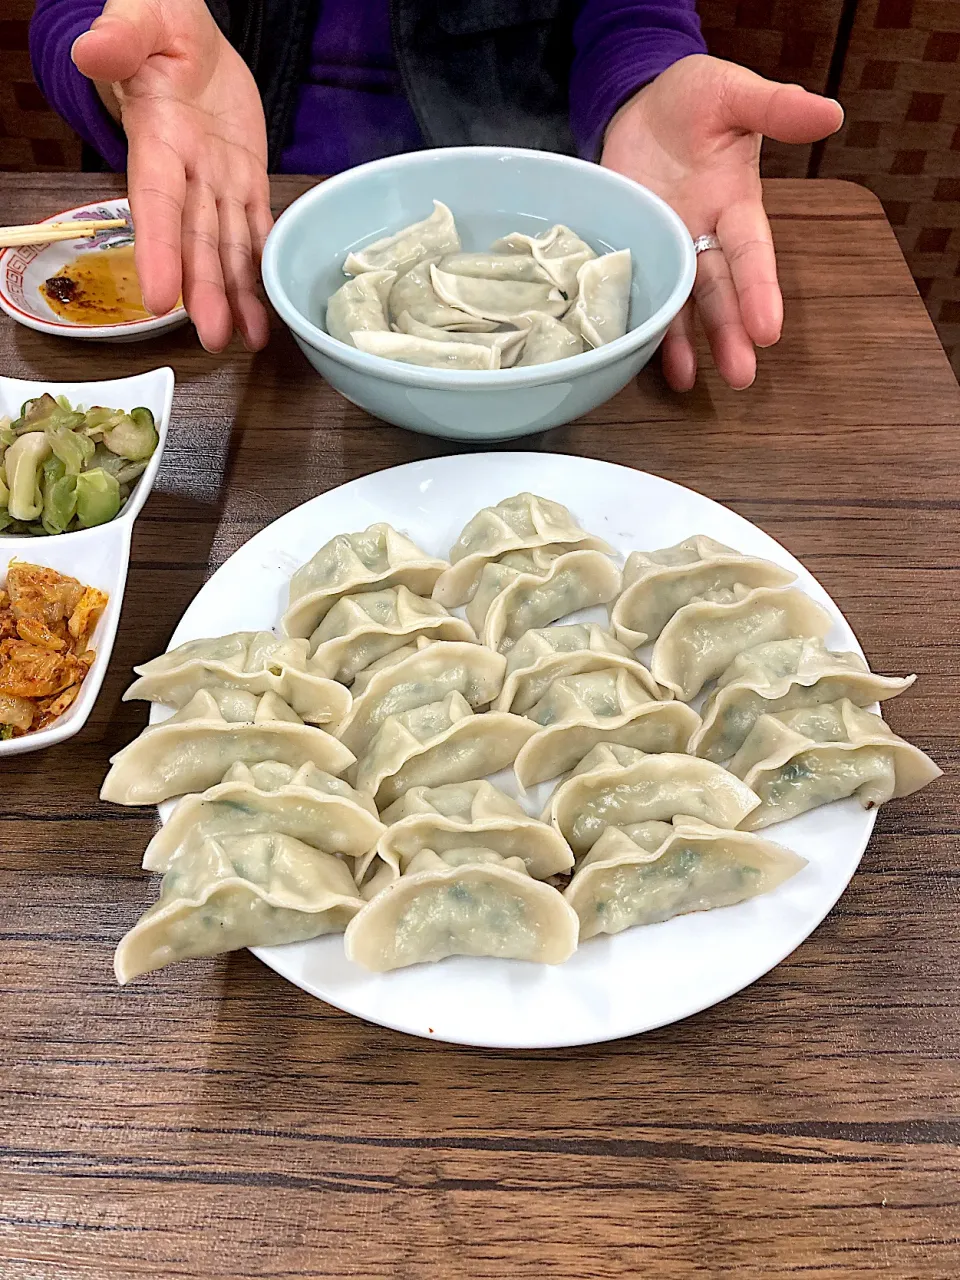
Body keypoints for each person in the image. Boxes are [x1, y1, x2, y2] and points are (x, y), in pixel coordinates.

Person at [30, 0, 842, 391]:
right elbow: (80, 17)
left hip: (538, 166)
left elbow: (632, 15)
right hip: (238, 222)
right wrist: (129, 81)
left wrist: (646, 83)